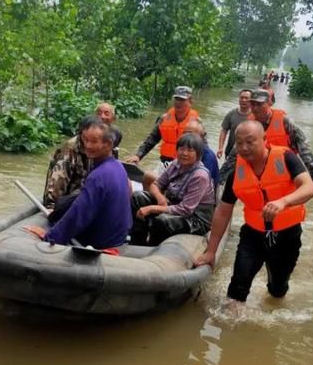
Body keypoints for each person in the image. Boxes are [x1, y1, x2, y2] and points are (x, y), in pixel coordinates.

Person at [195, 121, 313, 303]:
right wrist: (211, 251)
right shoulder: (237, 172)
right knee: (237, 287)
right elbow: (223, 211)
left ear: (264, 139)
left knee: (277, 290)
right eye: (239, 142)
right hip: (253, 235)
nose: (244, 148)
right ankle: (230, 326)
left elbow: (309, 187)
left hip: (286, 236)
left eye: (250, 142)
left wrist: (283, 201)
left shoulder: (286, 157)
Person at [25, 120, 131, 250]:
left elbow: (78, 216)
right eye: (85, 140)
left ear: (108, 144)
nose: (87, 145)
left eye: (93, 141)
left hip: (102, 244)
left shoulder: (98, 176)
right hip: (117, 239)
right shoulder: (118, 166)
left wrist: (50, 237)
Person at [219, 89, 313, 194]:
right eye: (253, 104)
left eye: (259, 104)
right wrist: (220, 178)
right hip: (258, 174)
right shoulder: (249, 124)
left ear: (269, 102)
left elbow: (304, 149)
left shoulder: (284, 121)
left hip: (284, 172)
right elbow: (235, 152)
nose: (255, 108)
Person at [129, 133, 215, 246]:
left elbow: (186, 210)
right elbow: (156, 184)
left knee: (162, 220)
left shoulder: (200, 176)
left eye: (190, 150)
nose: (184, 153)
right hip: (174, 204)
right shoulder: (176, 164)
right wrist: (160, 198)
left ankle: (152, 248)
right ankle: (137, 242)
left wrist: (152, 208)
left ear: (198, 154)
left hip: (195, 218)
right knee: (138, 197)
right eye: (181, 149)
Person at [127, 86, 199, 167]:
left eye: (182, 100)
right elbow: (151, 139)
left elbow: (203, 148)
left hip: (186, 165)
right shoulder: (164, 119)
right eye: (176, 99)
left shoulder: (196, 123)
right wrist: (138, 155)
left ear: (190, 101)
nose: (178, 102)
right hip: (165, 162)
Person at [184, 119, 220, 188]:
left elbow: (202, 184)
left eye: (190, 134)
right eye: (184, 133)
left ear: (202, 136)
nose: (186, 137)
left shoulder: (208, 157)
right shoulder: (184, 151)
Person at [217, 89, 252, 159]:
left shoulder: (255, 116)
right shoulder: (231, 114)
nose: (244, 100)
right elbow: (224, 130)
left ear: (251, 100)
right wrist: (220, 148)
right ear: (239, 99)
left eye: (246, 98)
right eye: (242, 97)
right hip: (230, 153)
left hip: (248, 154)